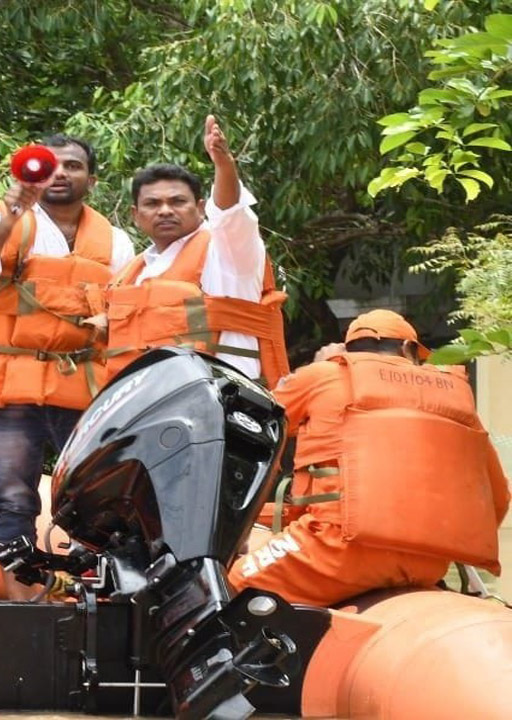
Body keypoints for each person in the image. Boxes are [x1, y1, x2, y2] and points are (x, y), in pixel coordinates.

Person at [0, 134, 134, 599]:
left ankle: (94, 595)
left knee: (97, 496)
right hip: (12, 388)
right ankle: (23, 601)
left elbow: (126, 304)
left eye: (73, 166)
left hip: (80, 386)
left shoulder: (115, 240)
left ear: (91, 180)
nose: (61, 173)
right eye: (52, 165)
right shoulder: (6, 221)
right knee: (14, 496)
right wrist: (11, 216)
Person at [229, 309, 509, 606]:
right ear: (409, 349)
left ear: (348, 351)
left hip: (336, 551)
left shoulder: (323, 374)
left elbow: (252, 423)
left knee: (227, 589)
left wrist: (316, 367)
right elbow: (499, 498)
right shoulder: (456, 396)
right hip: (428, 565)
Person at [100, 115, 289, 388]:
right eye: (152, 204)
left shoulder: (226, 251)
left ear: (200, 208)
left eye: (178, 201)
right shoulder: (130, 274)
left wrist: (224, 164)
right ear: (135, 215)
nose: (165, 210)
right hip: (145, 401)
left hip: (222, 397)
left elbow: (229, 212)